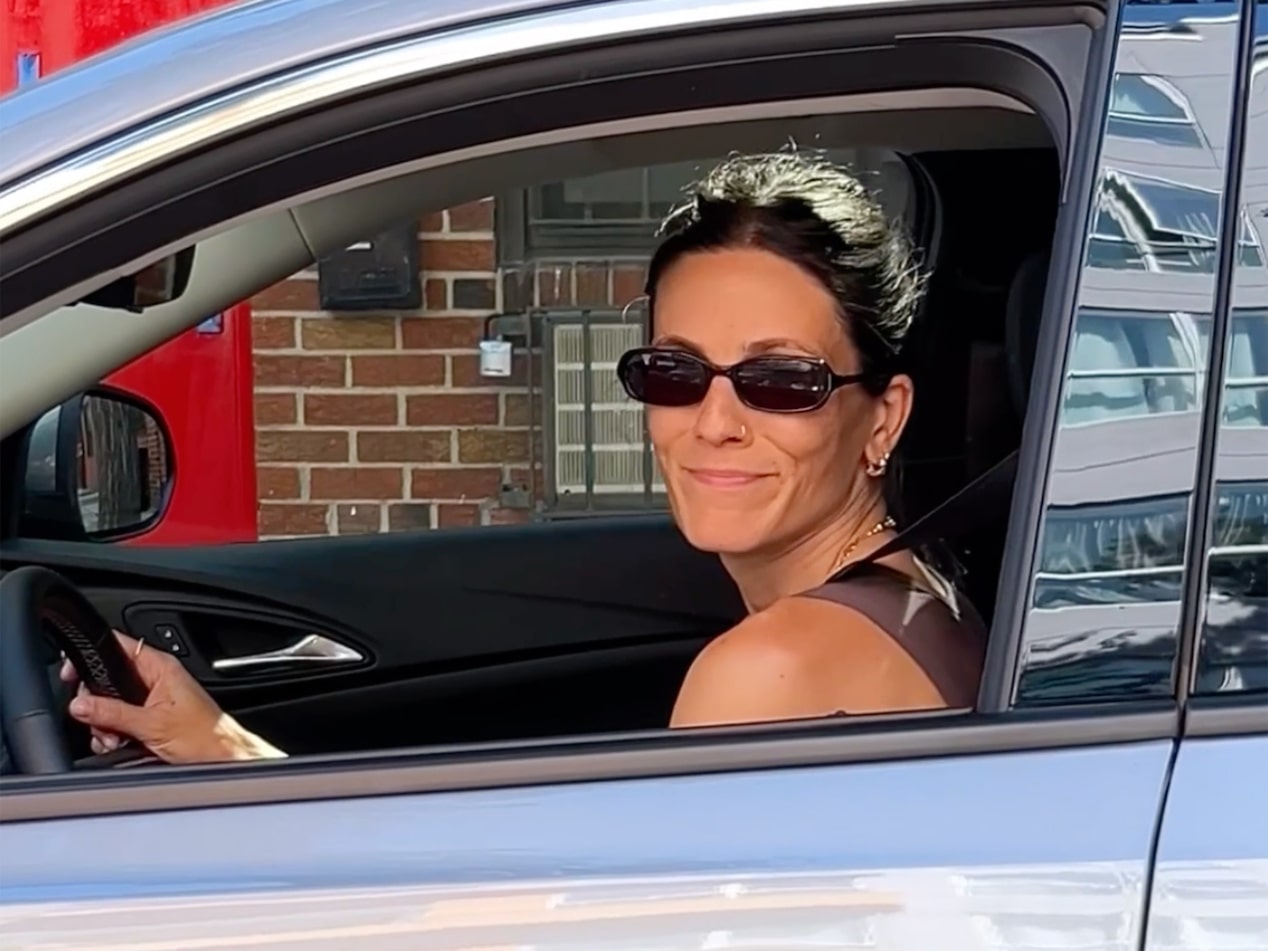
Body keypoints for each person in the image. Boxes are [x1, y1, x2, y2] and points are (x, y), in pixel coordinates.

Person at [63, 149, 987, 763]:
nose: (713, 421)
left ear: (882, 416)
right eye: (673, 371)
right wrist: (219, 746)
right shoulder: (919, 596)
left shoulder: (773, 670)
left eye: (779, 381)